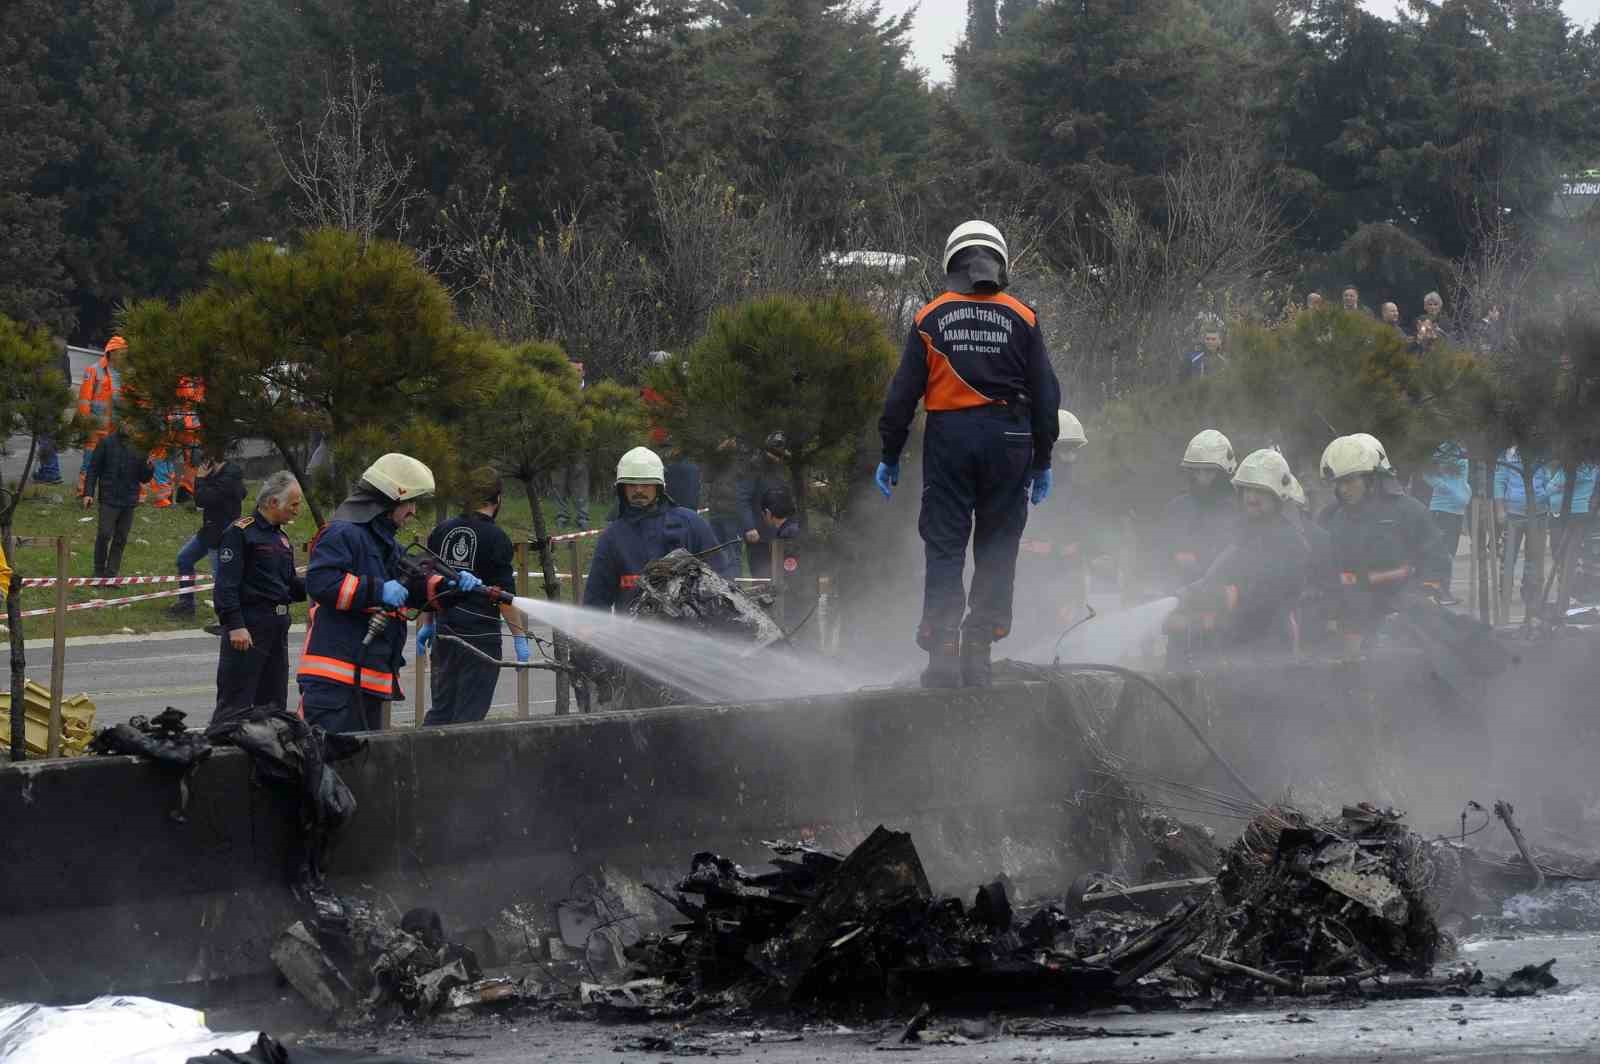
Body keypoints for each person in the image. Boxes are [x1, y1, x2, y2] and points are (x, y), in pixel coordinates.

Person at [876, 219, 1062, 687]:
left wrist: (890, 453)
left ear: (951, 259)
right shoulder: (1024, 317)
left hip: (950, 440)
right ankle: (978, 646)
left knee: (945, 544)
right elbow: (1046, 395)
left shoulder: (929, 318)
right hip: (1010, 443)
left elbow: (901, 398)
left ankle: (942, 649)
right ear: (999, 259)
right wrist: (1043, 460)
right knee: (998, 545)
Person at [299, 453, 481, 734]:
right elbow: (322, 582)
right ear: (388, 500)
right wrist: (378, 589)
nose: (413, 511)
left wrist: (451, 588)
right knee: (322, 766)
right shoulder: (342, 534)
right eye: (410, 502)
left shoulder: (385, 544)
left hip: (366, 680)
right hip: (334, 682)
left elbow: (415, 587)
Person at [1164, 448, 1309, 658]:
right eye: (1247, 490)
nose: (1251, 497)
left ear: (1278, 495)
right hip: (1234, 648)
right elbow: (1217, 574)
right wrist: (1184, 596)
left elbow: (1267, 595)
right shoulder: (1243, 535)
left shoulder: (1290, 542)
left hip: (1268, 653)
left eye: (1260, 491)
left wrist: (1218, 598)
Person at [417, 467, 529, 726]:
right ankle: (455, 766)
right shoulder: (496, 537)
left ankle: (425, 761)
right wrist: (520, 638)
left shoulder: (441, 531)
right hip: (480, 641)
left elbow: (429, 584)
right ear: (498, 499)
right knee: (468, 719)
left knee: (441, 712)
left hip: (444, 637)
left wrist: (428, 625)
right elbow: (503, 596)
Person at [1318, 434, 1444, 655]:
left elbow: (1434, 558)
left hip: (1402, 618)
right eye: (1338, 483)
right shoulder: (1330, 518)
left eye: (1350, 481)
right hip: (1349, 620)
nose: (1343, 490)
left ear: (1372, 479)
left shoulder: (1409, 512)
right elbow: (1321, 570)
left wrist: (1427, 593)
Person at [583, 446, 729, 613]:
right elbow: (596, 598)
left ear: (658, 487)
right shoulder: (613, 536)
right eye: (632, 484)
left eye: (645, 484)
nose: (638, 490)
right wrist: (590, 629)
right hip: (632, 634)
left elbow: (721, 579)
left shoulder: (691, 524)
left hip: (689, 632)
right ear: (622, 488)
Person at [212, 472, 307, 723]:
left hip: (277, 627)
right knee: (237, 703)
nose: (297, 511)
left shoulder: (281, 537)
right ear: (273, 502)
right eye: (294, 504)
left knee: (274, 704)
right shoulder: (241, 532)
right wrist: (235, 625)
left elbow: (289, 584)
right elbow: (226, 584)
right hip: (250, 627)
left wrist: (317, 581)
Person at [1014, 410, 1092, 637]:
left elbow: (1085, 535)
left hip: (1064, 578)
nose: (1071, 458)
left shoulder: (1078, 492)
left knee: (1064, 637)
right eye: (1065, 450)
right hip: (1028, 578)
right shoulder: (1023, 486)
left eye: (1074, 450)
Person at [167, 452, 247, 619]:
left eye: (203, 464)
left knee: (220, 577)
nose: (201, 468)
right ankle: (186, 603)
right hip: (208, 530)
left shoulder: (229, 478)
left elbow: (202, 499)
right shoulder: (218, 476)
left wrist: (201, 479)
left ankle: (226, 619)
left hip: (222, 534)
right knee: (184, 559)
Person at [1157, 429, 1238, 589]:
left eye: (1209, 471)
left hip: (1227, 599)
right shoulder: (1176, 508)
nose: (1202, 477)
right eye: (1196, 470)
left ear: (1224, 472)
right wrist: (1175, 555)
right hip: (1181, 597)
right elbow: (1159, 553)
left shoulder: (1239, 511)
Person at [82, 427, 153, 578]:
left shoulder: (140, 446)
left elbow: (144, 478)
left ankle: (111, 574)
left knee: (121, 538)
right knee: (104, 534)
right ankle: (99, 570)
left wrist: (149, 466)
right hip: (109, 497)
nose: (130, 426)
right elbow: (93, 469)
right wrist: (88, 493)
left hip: (129, 499)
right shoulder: (106, 443)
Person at [1493, 446, 1551, 608]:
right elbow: (1499, 481)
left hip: (1539, 513)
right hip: (1513, 513)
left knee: (1534, 556)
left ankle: (1530, 591)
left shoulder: (1541, 452)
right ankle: (1505, 591)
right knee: (1508, 556)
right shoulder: (1507, 454)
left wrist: (1549, 502)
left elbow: (1548, 479)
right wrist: (1499, 509)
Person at [757, 483, 810, 632]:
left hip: (797, 600)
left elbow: (789, 573)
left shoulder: (786, 536)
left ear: (768, 513)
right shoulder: (797, 526)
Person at [77, 335, 125, 496]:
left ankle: (107, 493)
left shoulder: (125, 374)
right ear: (111, 353)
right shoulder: (94, 370)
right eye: (121, 352)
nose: (123, 356)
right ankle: (84, 492)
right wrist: (86, 422)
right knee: (90, 460)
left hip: (115, 426)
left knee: (112, 463)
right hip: (95, 426)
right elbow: (84, 399)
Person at [1423, 442, 1469, 605]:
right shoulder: (1443, 448)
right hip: (1442, 510)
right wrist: (1447, 489)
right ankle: (1438, 593)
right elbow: (1427, 474)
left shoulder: (1462, 449)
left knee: (1450, 554)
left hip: (1457, 512)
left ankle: (1444, 592)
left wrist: (1465, 493)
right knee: (1443, 554)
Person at [739, 433, 789, 582]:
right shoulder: (754, 467)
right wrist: (749, 527)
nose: (777, 457)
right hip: (758, 534)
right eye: (774, 453)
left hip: (779, 533)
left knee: (781, 578)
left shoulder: (780, 468)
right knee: (761, 580)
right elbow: (742, 498)